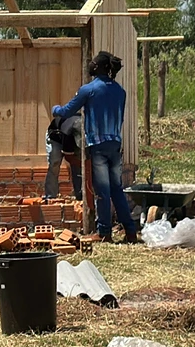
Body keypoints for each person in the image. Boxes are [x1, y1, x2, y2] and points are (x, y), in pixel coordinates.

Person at [51, 51, 139, 244]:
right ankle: (130, 232)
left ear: (99, 67)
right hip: (115, 144)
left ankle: (104, 233)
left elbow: (67, 111)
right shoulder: (120, 91)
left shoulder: (88, 90)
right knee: (116, 190)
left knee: (102, 191)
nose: (90, 65)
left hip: (98, 145)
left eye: (93, 63)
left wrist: (55, 109)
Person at [43, 113, 82, 202]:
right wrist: (83, 164)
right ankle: (50, 196)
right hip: (55, 138)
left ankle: (80, 196)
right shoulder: (68, 133)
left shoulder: (89, 128)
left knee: (77, 168)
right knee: (54, 164)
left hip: (71, 136)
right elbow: (69, 158)